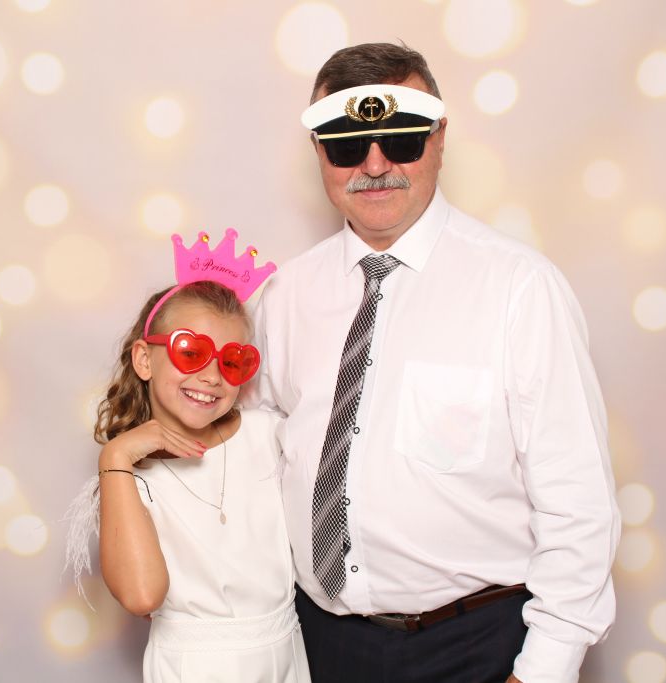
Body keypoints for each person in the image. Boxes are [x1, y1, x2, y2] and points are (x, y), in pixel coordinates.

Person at [247, 43, 620, 683]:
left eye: (401, 139)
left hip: (476, 646)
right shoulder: (282, 297)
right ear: (319, 152)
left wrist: (542, 670)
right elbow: (252, 459)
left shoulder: (520, 288)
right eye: (347, 146)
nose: (375, 165)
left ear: (439, 137)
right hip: (317, 643)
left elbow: (579, 504)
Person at [66, 230, 310, 682]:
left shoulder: (268, 434)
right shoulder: (128, 477)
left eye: (232, 360)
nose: (212, 376)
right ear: (145, 359)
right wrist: (115, 456)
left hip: (287, 655)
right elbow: (141, 596)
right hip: (195, 666)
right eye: (191, 352)